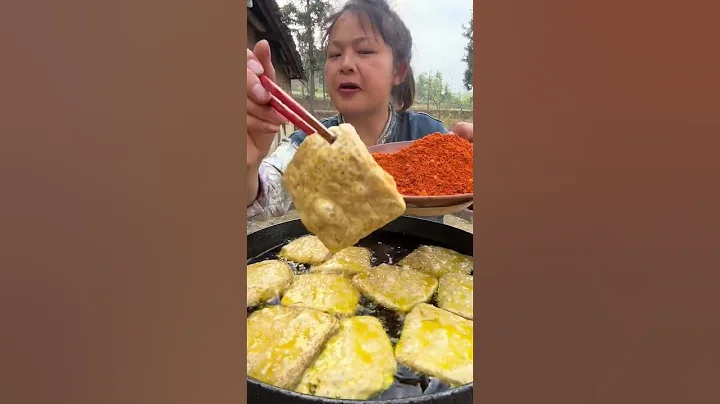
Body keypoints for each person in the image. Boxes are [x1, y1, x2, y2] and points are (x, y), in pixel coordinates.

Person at [246, 0, 473, 221]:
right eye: (334, 54)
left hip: (431, 257)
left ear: (398, 70)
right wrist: (246, 165)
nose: (345, 64)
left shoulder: (430, 137)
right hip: (339, 259)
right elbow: (264, 191)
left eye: (364, 51)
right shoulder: (309, 143)